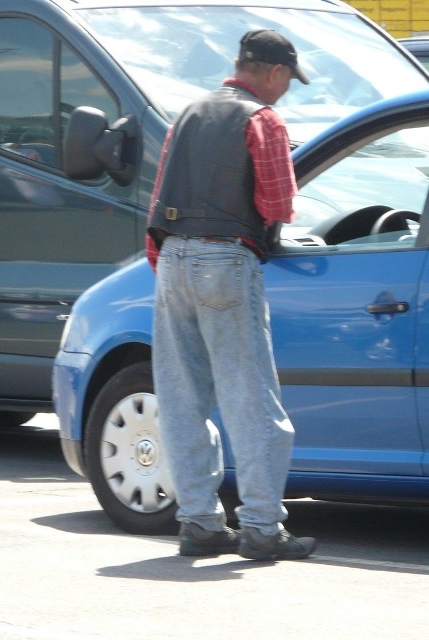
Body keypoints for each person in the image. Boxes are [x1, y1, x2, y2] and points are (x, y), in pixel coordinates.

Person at [146, 29, 317, 561]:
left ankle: (198, 522)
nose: (286, 90)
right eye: (288, 79)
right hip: (226, 258)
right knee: (251, 398)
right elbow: (278, 203)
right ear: (272, 72)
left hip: (172, 260)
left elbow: (159, 200)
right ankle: (263, 528)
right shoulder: (262, 120)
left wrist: (174, 261)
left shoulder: (190, 113)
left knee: (180, 399)